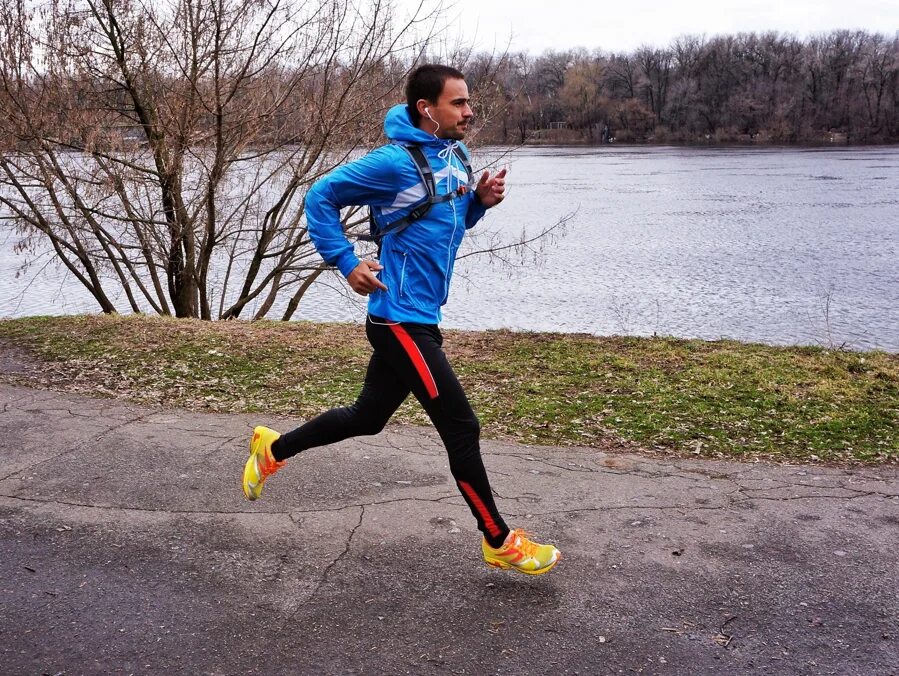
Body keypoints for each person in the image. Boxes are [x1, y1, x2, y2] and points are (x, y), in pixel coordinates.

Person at [241, 64, 560, 576]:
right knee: (461, 426)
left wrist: (478, 203)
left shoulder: (456, 155)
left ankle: (272, 448)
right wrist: (347, 262)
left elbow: (444, 223)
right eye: (458, 103)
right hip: (397, 321)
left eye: (468, 101)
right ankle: (498, 540)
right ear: (425, 110)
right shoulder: (394, 163)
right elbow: (319, 197)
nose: (469, 111)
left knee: (367, 418)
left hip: (422, 316)